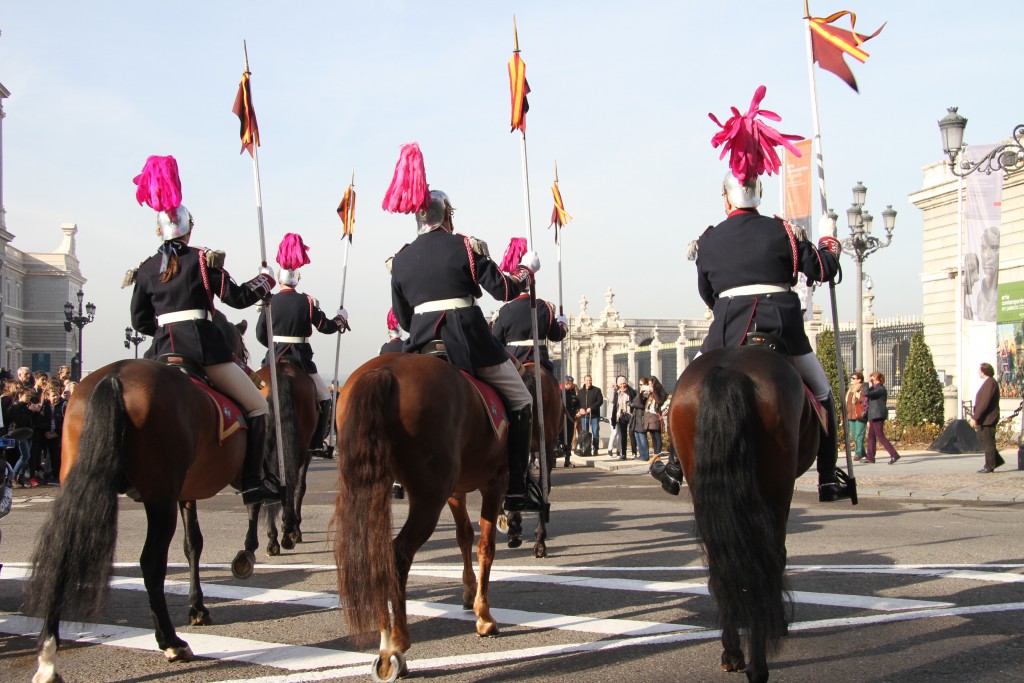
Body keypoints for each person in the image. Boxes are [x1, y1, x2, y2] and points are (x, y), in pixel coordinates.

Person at [693, 85, 847, 503]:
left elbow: (707, 293)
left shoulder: (708, 240)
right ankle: (829, 477)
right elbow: (824, 270)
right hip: (783, 331)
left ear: (726, 199)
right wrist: (830, 238)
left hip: (725, 333)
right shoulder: (784, 231)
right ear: (758, 193)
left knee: (685, 393)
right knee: (824, 393)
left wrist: (728, 310)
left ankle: (675, 462)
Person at [128, 154, 278, 507]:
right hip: (204, 353)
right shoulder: (202, 260)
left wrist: (166, 326)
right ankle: (254, 482)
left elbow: (139, 322)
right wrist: (265, 280)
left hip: (162, 353)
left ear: (159, 231)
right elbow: (238, 298)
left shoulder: (146, 269)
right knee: (258, 407)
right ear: (189, 229)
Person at [388, 177, 541, 513]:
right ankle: (516, 487)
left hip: (421, 347)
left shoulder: (400, 259)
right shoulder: (464, 247)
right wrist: (526, 270)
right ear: (447, 217)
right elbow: (503, 289)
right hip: (469, 344)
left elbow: (402, 318)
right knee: (521, 399)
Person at [257, 233, 349, 460]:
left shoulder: (269, 301)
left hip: (273, 360)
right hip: (300, 361)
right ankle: (317, 442)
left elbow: (261, 335)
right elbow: (325, 326)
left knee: (252, 396)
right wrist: (340, 319)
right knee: (325, 399)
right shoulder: (306, 301)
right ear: (297, 278)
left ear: (279, 278)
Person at [490, 239, 568, 373]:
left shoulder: (503, 312)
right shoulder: (544, 307)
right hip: (540, 360)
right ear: (531, 283)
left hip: (514, 363)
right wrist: (562, 324)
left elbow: (495, 342)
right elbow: (556, 335)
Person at [971, 362, 1004, 473]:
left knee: (988, 442)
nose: (978, 372)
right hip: (984, 419)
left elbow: (985, 402)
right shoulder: (988, 382)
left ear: (984, 371)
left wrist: (975, 417)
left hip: (988, 419)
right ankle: (995, 461)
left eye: (980, 370)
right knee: (982, 439)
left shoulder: (990, 383)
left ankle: (989, 466)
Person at [864, 371, 900, 465]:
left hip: (878, 414)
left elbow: (867, 393)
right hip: (873, 415)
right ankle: (870, 457)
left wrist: (866, 383)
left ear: (879, 379)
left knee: (880, 435)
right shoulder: (873, 388)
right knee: (871, 436)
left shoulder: (880, 389)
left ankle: (894, 454)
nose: (871, 378)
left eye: (873, 377)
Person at [576, 375, 604, 456]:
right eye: (587, 380)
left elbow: (600, 401)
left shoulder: (597, 390)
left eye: (590, 380)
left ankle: (595, 449)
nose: (589, 382)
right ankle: (586, 449)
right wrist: (580, 409)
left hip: (594, 416)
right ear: (584, 381)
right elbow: (577, 403)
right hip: (584, 417)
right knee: (585, 434)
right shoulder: (580, 392)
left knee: (595, 433)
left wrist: (591, 408)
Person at [844, 371, 869, 462]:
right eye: (851, 378)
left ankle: (858, 453)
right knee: (854, 435)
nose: (851, 379)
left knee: (859, 435)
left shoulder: (863, 388)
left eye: (853, 378)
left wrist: (859, 397)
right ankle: (862, 452)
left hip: (859, 415)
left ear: (859, 380)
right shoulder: (850, 389)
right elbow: (847, 403)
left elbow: (866, 400)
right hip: (850, 415)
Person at [610, 376, 637, 460]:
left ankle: (634, 452)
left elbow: (635, 402)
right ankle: (624, 453)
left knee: (632, 434)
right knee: (623, 435)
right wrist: (613, 418)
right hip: (621, 415)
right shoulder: (617, 393)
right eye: (620, 384)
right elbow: (615, 405)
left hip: (630, 414)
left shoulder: (631, 392)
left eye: (624, 383)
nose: (622, 386)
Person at [644, 376, 668, 455]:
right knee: (652, 436)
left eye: (652, 384)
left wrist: (654, 391)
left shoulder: (660, 392)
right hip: (649, 416)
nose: (650, 386)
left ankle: (658, 453)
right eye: (649, 384)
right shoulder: (649, 393)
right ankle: (655, 453)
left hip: (656, 415)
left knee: (657, 436)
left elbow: (659, 401)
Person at [631, 378, 652, 461]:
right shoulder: (639, 393)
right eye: (640, 385)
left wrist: (634, 404)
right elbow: (635, 401)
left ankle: (645, 455)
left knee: (642, 437)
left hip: (642, 416)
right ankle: (641, 454)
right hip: (636, 417)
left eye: (642, 384)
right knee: (637, 436)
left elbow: (642, 404)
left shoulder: (647, 394)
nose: (641, 386)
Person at [561, 376, 580, 467]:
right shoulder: (560, 393)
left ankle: (567, 460)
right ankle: (553, 460)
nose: (570, 385)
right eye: (568, 383)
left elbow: (577, 403)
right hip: (560, 420)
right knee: (559, 440)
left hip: (570, 419)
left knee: (568, 439)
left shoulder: (573, 393)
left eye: (571, 383)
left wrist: (578, 411)